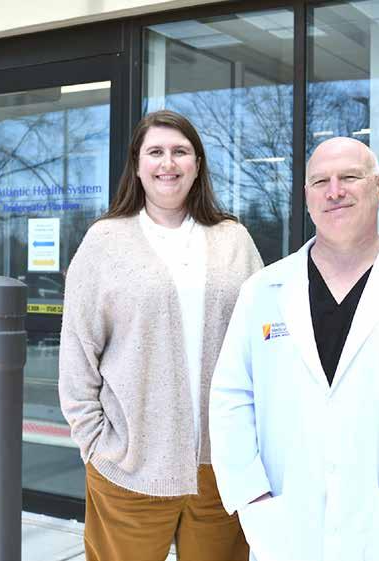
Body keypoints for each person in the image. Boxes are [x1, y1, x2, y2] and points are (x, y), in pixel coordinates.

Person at [209, 137, 379, 561]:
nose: (334, 191)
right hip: (286, 527)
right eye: (320, 181)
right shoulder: (263, 291)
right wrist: (252, 499)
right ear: (307, 197)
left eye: (349, 177)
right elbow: (230, 399)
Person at [59, 109, 262, 561]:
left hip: (223, 466)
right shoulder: (104, 242)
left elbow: (263, 345)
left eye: (180, 152)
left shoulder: (234, 239)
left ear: (197, 164)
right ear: (137, 164)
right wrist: (96, 444)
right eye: (155, 152)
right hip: (131, 466)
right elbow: (77, 353)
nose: (167, 163)